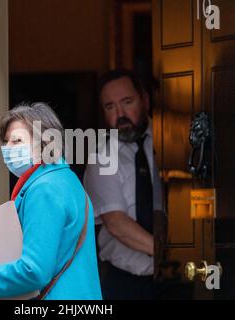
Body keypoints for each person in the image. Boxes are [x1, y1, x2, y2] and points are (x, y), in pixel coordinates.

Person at [0, 102, 102, 300]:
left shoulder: (45, 189)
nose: (7, 149)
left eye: (17, 141)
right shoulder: (64, 179)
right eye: (5, 141)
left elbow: (34, 270)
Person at [84, 69, 164, 300]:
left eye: (127, 102)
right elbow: (117, 224)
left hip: (180, 278)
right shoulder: (101, 157)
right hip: (127, 285)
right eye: (110, 107)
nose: (120, 114)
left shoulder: (173, 143)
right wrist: (169, 256)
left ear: (145, 100)